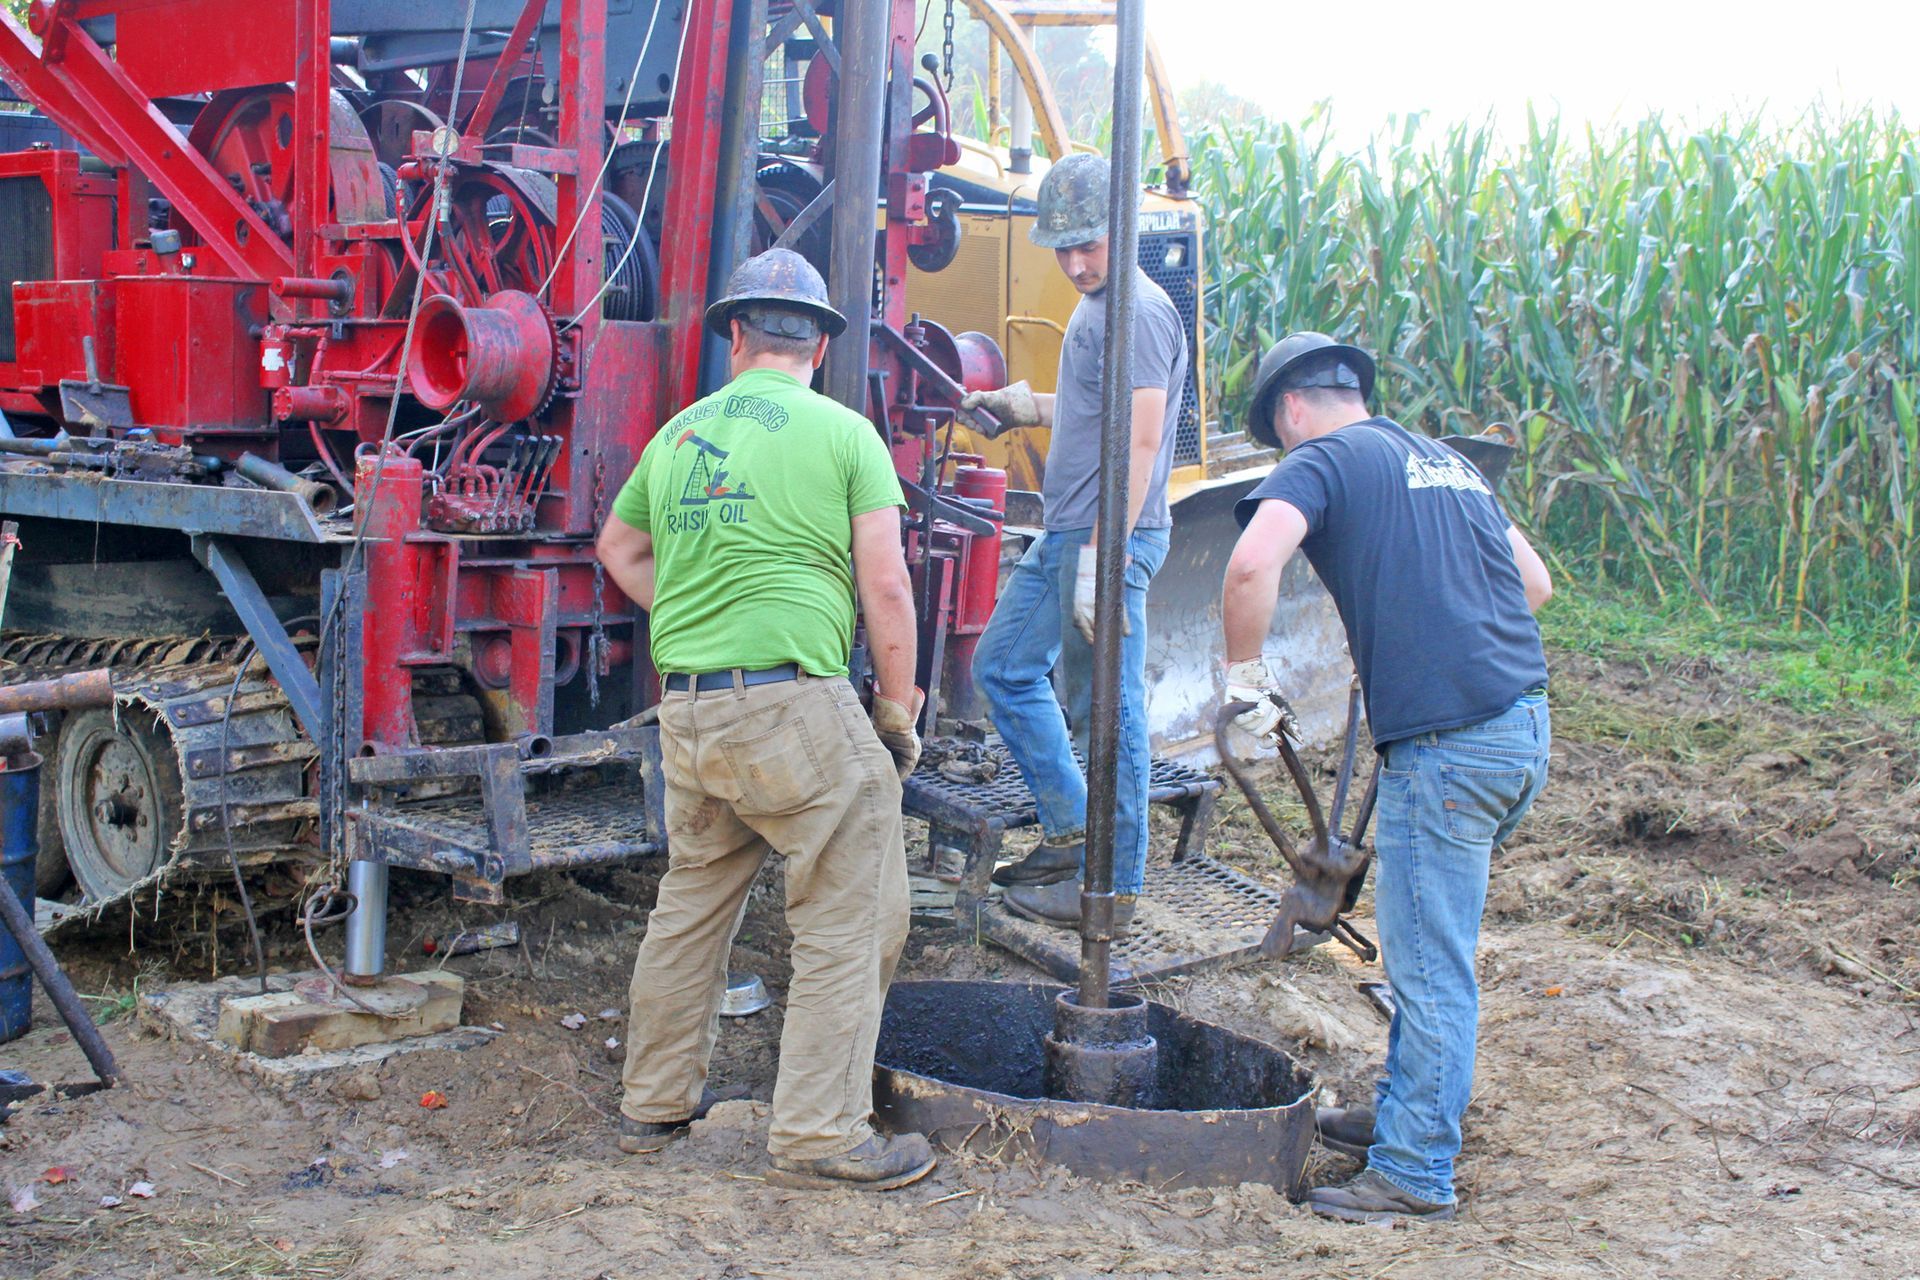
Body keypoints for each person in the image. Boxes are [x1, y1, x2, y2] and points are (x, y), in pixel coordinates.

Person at [595, 248, 934, 1192]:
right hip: (794, 706)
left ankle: (652, 1102)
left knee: (693, 904)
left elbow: (617, 547)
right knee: (854, 905)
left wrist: (694, 614)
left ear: (735, 338)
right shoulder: (844, 433)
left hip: (691, 712)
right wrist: (897, 711)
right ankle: (823, 1132)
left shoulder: (676, 436)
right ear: (819, 345)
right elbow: (888, 586)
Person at [1219, 333, 1554, 1224]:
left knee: (1430, 965)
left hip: (1449, 750)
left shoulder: (1322, 458)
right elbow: (1535, 585)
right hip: (1519, 726)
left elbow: (1253, 561)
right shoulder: (1443, 459)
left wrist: (1244, 680)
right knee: (1426, 941)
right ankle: (1409, 1115)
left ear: (1290, 410)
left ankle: (1413, 1173)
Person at [958, 152, 1189, 932]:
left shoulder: (1138, 311)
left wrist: (1104, 556)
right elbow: (1099, 408)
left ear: (1121, 230)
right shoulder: (1098, 309)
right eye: (1064, 248)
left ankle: (1113, 887)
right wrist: (1025, 407)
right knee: (1004, 669)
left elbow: (1146, 439)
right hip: (1069, 530)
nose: (1076, 262)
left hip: (1105, 540)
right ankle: (1070, 833)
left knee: (1107, 710)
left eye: (1089, 245)